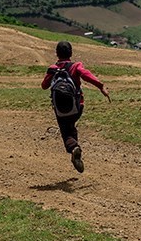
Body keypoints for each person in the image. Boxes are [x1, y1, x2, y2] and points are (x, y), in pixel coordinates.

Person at [41, 41, 110, 173]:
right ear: (71, 53)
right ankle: (75, 150)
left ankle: (73, 148)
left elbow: (44, 86)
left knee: (66, 131)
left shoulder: (52, 68)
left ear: (57, 53)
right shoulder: (76, 66)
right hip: (77, 107)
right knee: (71, 126)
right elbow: (86, 75)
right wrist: (101, 86)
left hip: (60, 109)